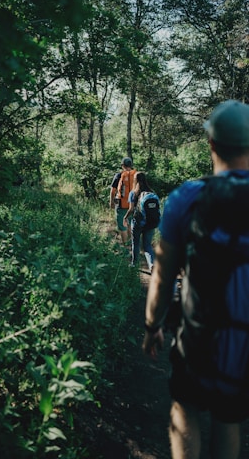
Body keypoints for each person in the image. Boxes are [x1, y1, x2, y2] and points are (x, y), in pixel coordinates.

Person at [142, 99, 249, 459]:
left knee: (185, 407)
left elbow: (162, 273)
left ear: (212, 144)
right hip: (245, 341)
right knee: (229, 417)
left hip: (199, 333)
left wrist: (152, 324)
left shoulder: (188, 197)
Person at [123, 171, 159, 271]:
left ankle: (134, 264)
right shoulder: (152, 193)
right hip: (150, 223)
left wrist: (125, 217)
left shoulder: (133, 193)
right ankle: (151, 264)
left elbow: (131, 209)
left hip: (137, 222)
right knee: (147, 245)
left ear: (135, 180)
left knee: (136, 243)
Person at [109, 157, 135, 246]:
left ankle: (125, 246)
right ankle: (132, 244)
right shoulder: (136, 175)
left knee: (122, 225)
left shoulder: (118, 175)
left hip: (121, 204)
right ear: (131, 165)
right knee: (130, 224)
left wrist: (111, 202)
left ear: (122, 165)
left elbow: (113, 190)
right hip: (133, 205)